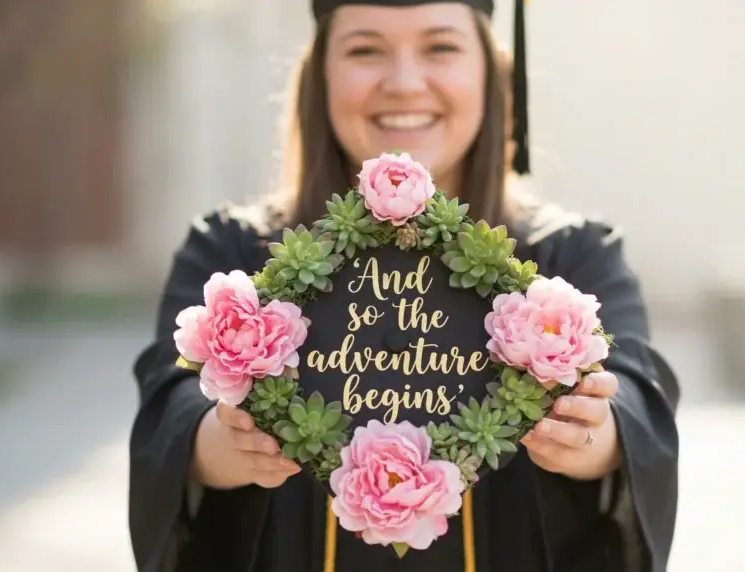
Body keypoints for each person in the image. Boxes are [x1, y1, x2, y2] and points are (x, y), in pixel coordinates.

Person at [128, 1, 680, 571]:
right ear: (319, 75)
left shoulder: (570, 258)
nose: (405, 83)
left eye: (440, 47)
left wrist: (596, 436)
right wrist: (216, 445)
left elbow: (636, 392)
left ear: (491, 72)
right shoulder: (235, 255)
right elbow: (170, 399)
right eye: (365, 50)